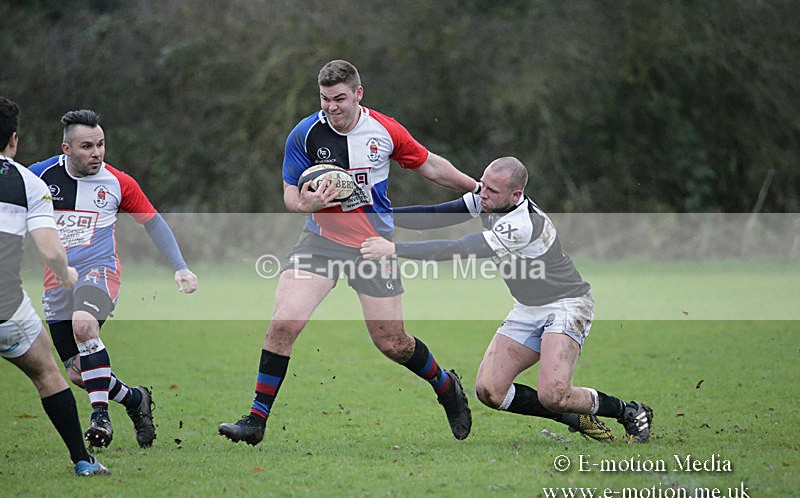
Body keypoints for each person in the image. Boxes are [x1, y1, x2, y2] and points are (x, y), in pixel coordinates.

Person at [219, 59, 480, 445]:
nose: (331, 107)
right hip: (321, 241)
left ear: (359, 94)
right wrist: (306, 204)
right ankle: (256, 420)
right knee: (284, 323)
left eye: (339, 98)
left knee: (393, 343)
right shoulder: (305, 134)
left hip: (373, 246)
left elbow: (431, 166)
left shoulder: (384, 130)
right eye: (325, 99)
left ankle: (446, 387)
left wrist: (477, 189)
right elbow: (290, 194)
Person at [360, 156, 654, 443]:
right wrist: (375, 213)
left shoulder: (521, 224)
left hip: (566, 305)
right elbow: (437, 214)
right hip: (528, 308)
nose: (482, 193)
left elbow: (459, 249)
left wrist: (394, 249)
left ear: (516, 195)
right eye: (483, 185)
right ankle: (571, 416)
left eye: (492, 190)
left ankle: (628, 411)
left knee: (554, 394)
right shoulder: (488, 199)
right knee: (489, 391)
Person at [28, 109, 199, 449]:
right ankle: (135, 399)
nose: (97, 153)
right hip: (56, 282)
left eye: (101, 144)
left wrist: (180, 266)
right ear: (66, 149)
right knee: (78, 373)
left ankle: (100, 419)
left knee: (84, 326)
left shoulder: (118, 182)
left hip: (100, 271)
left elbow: (153, 222)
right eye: (87, 146)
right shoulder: (38, 178)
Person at [0, 96, 109, 475]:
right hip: (6, 309)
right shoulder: (27, 182)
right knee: (48, 373)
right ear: (13, 139)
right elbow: (49, 248)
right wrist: (66, 274)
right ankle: (83, 460)